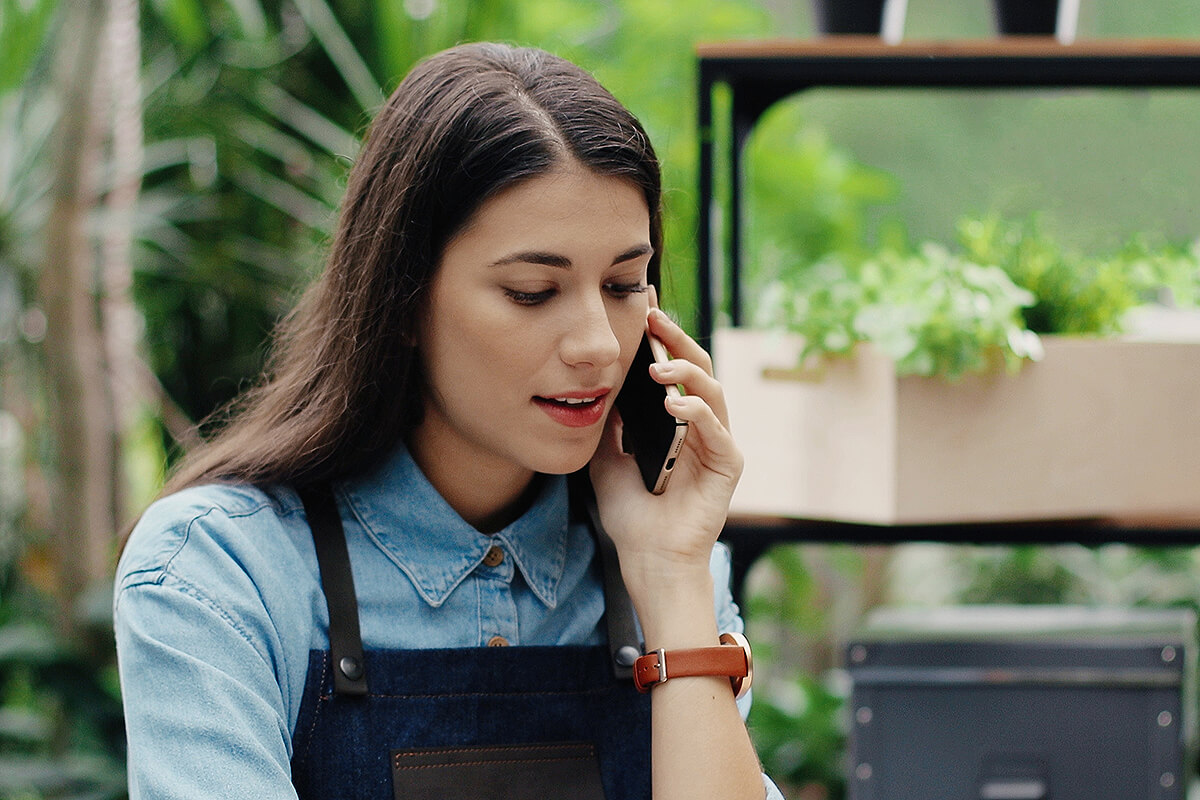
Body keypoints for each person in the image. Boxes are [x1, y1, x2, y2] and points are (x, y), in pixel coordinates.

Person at [114, 42, 783, 800]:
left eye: (625, 284)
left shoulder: (669, 563)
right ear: (402, 298)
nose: (599, 344)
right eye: (533, 291)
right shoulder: (223, 570)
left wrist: (671, 577)